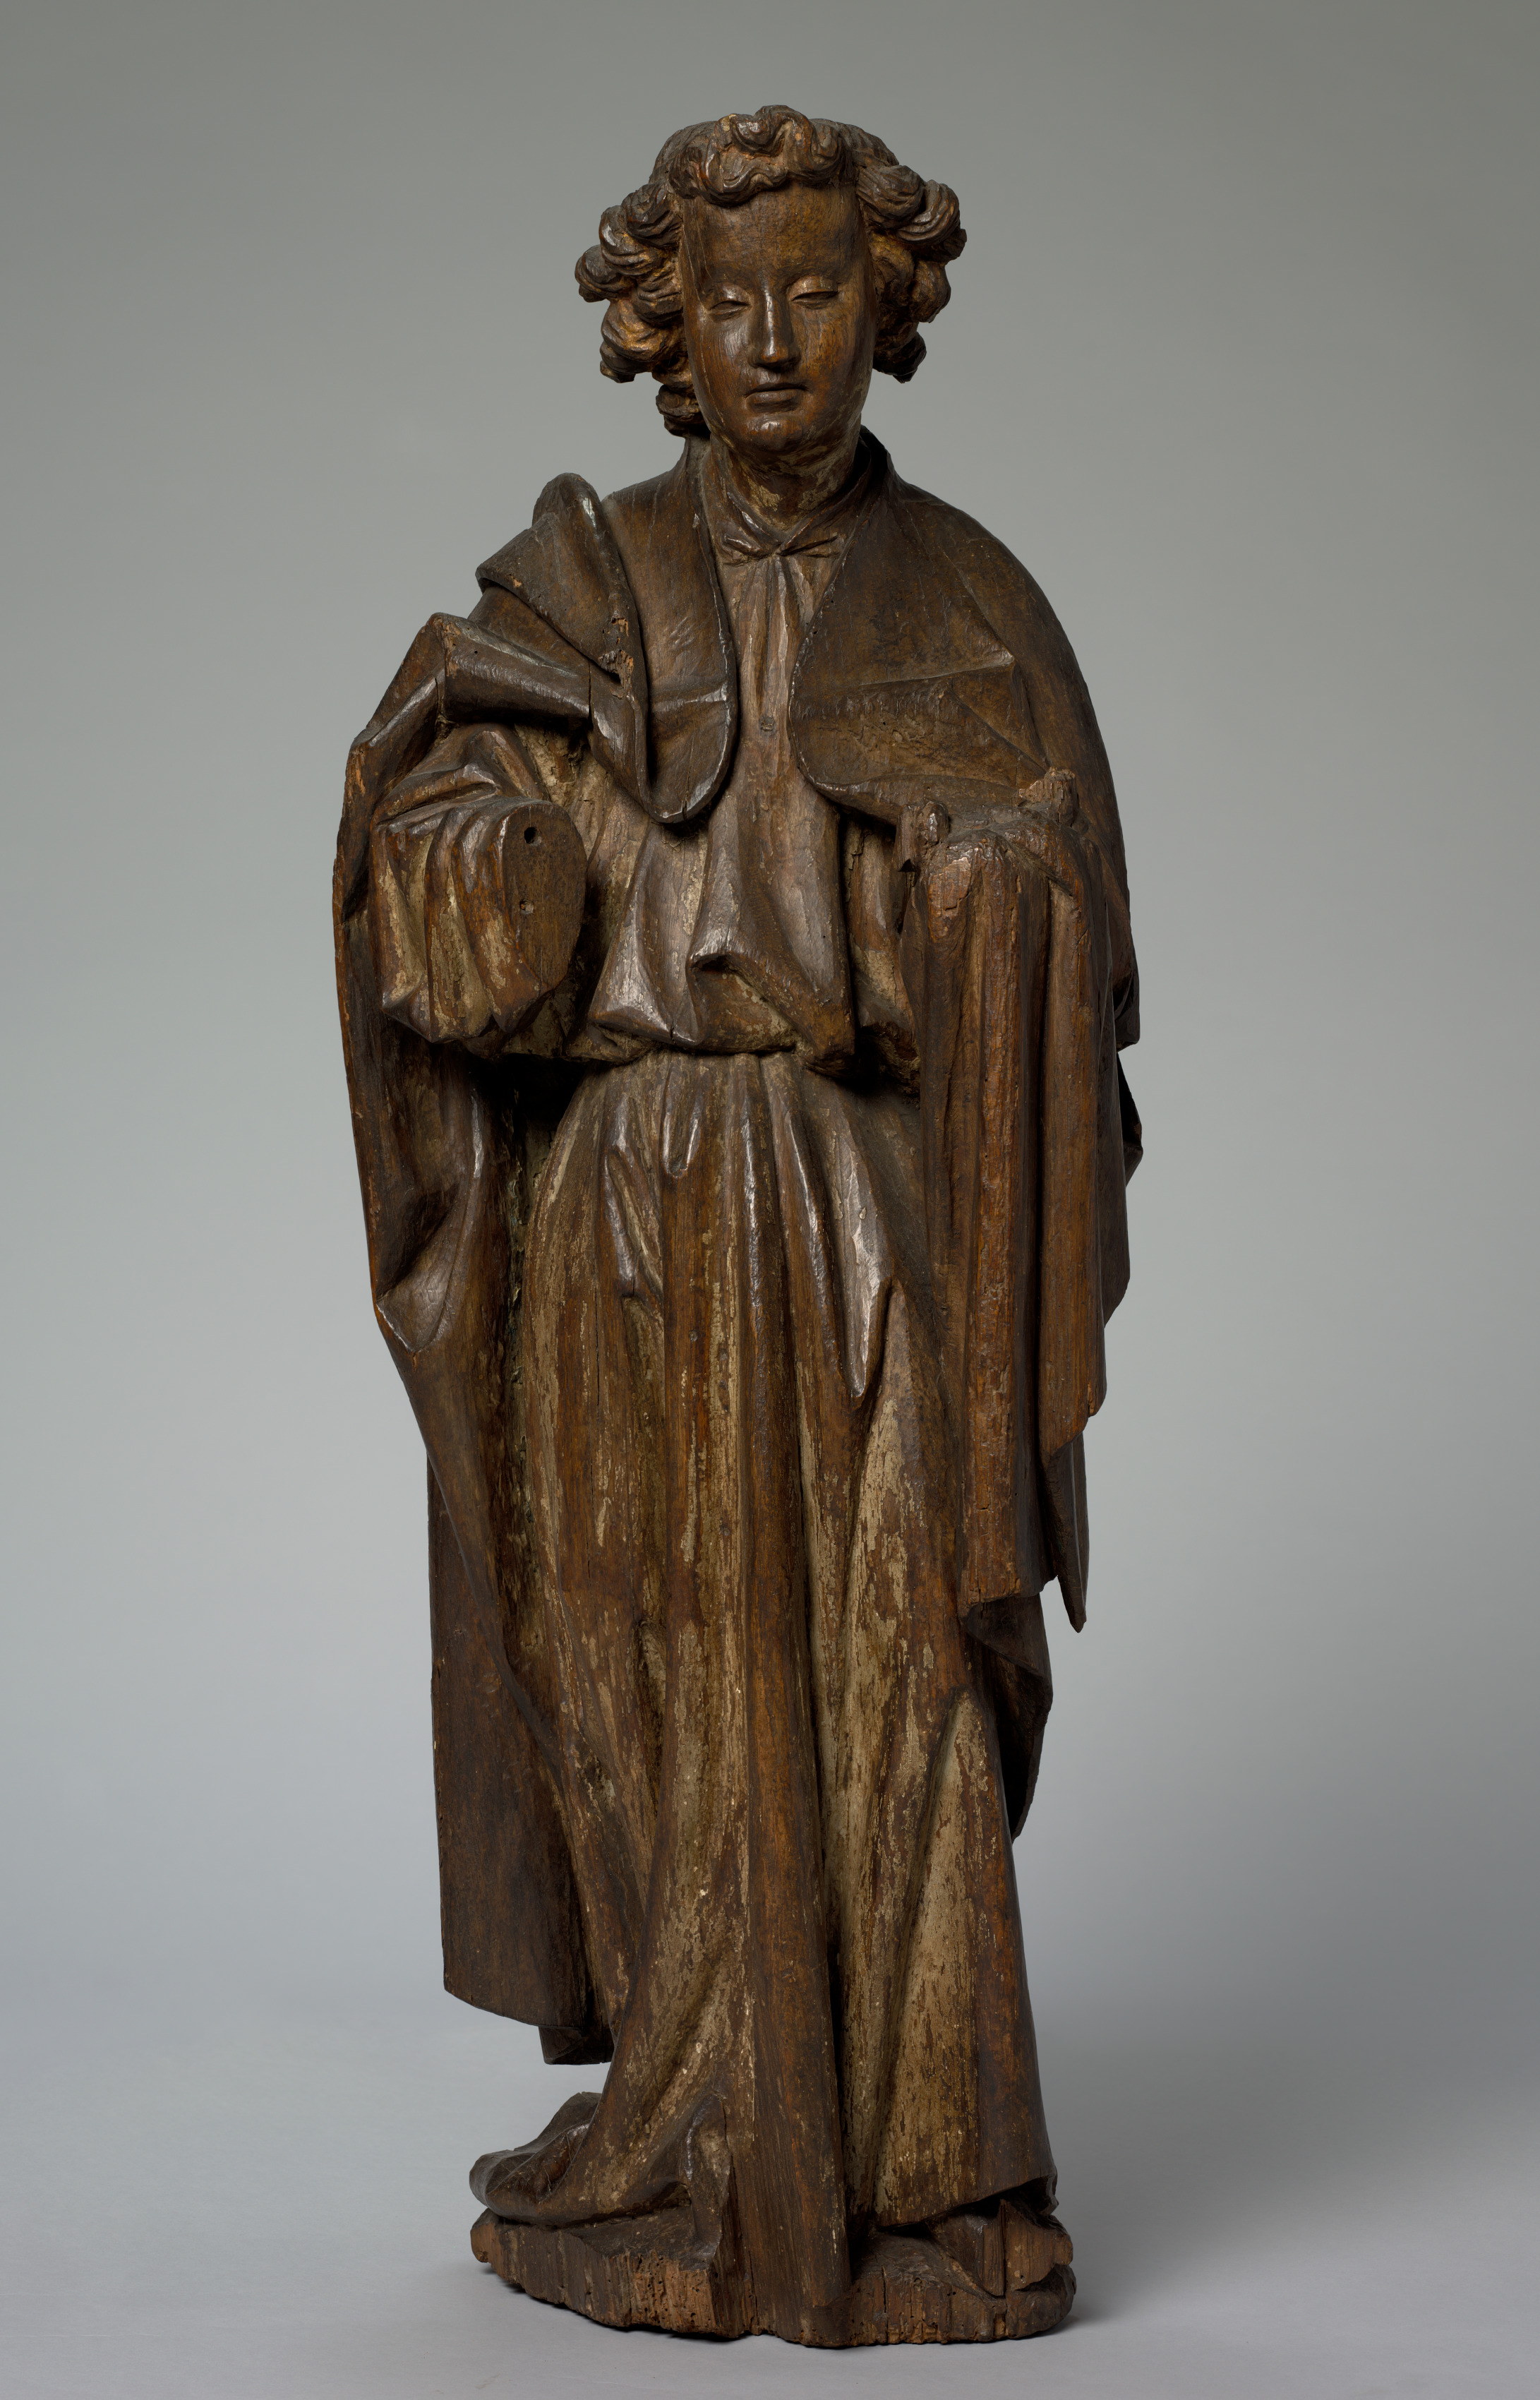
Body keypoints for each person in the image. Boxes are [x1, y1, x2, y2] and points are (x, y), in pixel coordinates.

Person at [335, 106, 1140, 2346]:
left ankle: (937, 2175)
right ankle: (690, 2143)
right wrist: (475, 862)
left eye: (819, 291)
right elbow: (434, 805)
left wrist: (991, 894)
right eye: (732, 298)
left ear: (890, 308)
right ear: (662, 329)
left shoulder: (972, 604)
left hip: (866, 1205)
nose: (778, 337)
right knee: (636, 1672)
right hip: (621, 1207)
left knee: (903, 1667)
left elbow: (1076, 941)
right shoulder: (577, 588)